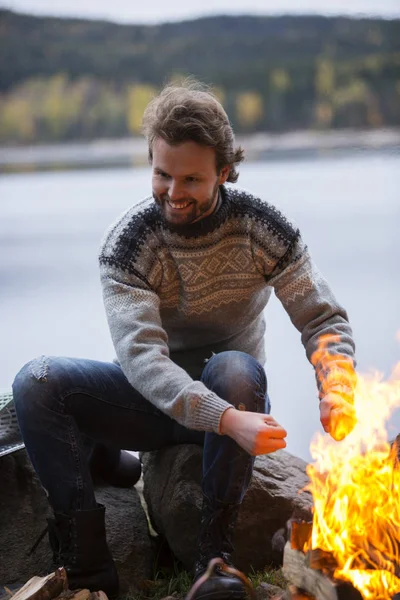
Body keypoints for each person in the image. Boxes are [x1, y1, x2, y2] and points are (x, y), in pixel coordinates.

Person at [12, 81, 357, 599]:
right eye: (161, 174)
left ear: (224, 171)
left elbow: (321, 315)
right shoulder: (128, 243)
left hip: (234, 400)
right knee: (35, 381)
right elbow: (143, 360)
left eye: (191, 178)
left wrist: (337, 383)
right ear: (150, 162)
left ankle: (213, 564)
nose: (173, 193)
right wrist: (224, 418)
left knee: (235, 369)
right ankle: (87, 570)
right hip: (158, 403)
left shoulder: (263, 227)